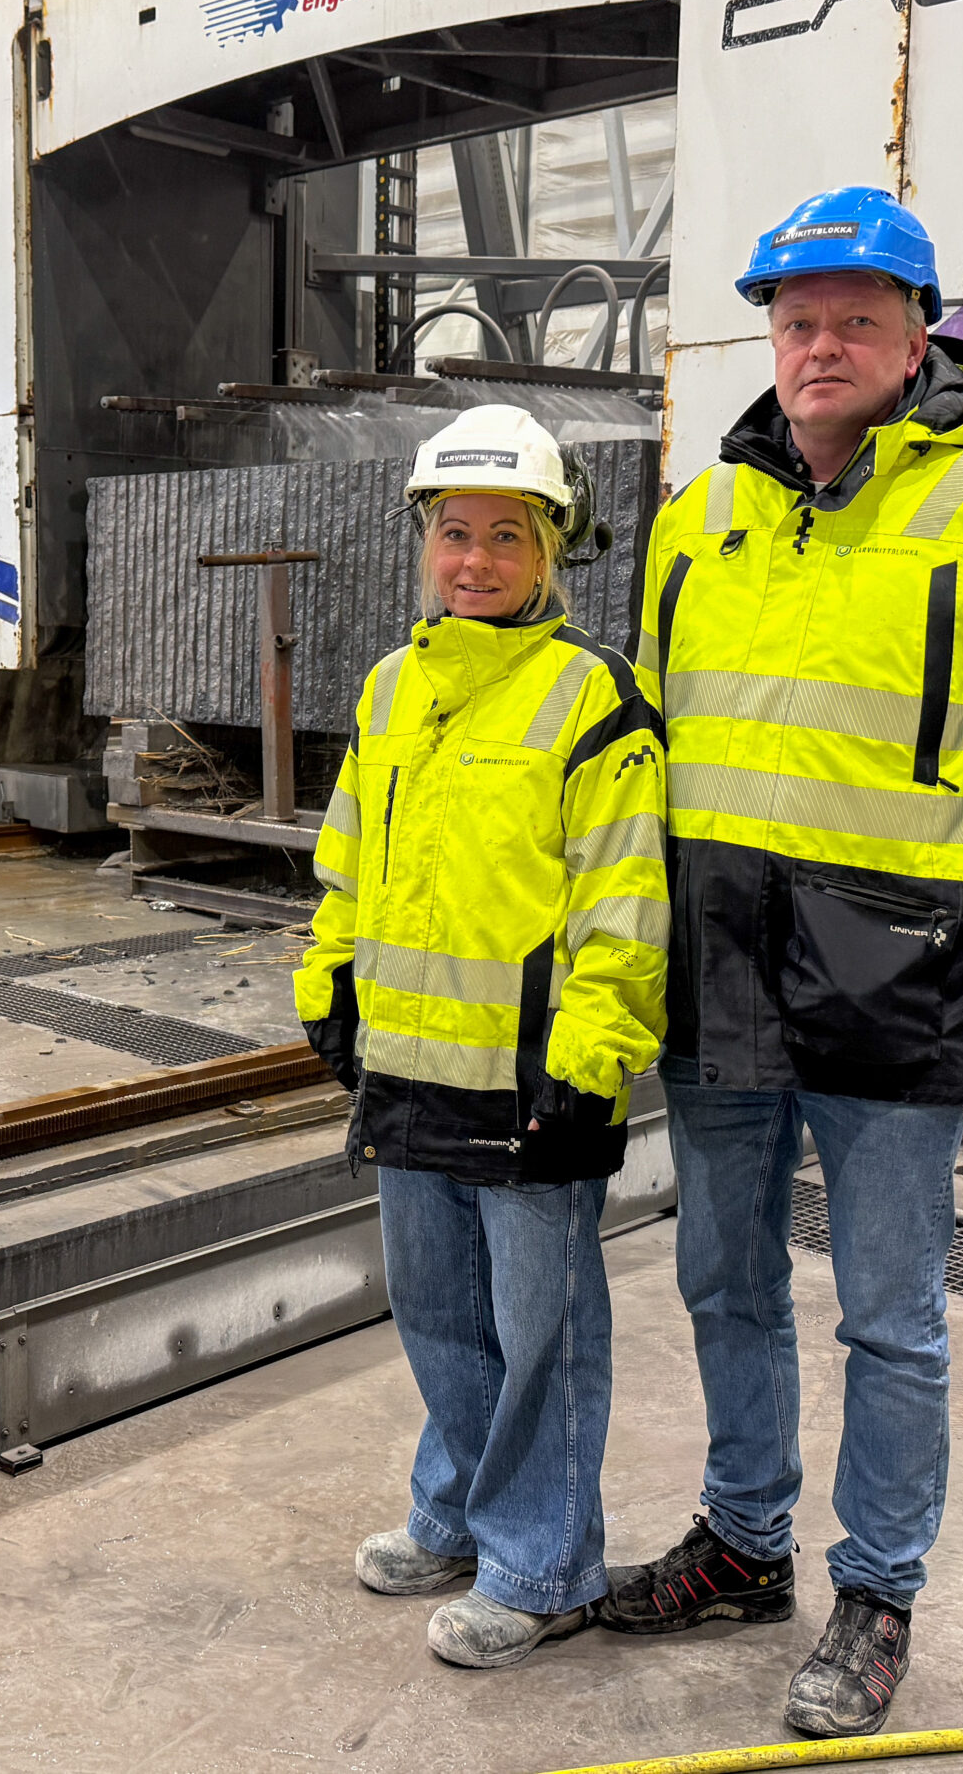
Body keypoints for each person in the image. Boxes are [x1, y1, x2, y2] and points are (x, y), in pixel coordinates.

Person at [599, 187, 963, 1735]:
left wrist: (961, 858)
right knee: (722, 1273)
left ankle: (878, 1591)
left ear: (920, 336)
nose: (820, 344)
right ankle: (743, 1542)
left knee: (887, 1309)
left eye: (854, 319)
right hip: (722, 941)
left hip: (896, 950)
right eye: (795, 319)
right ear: (767, 337)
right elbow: (662, 714)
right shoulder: (702, 513)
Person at [294, 404, 670, 1670]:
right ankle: (455, 1514)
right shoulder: (393, 687)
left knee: (540, 1335)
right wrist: (328, 974)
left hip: (534, 1081)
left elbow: (622, 896)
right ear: (422, 541)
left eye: (505, 537)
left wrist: (594, 1054)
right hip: (407, 1068)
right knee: (439, 1317)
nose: (475, 561)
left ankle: (545, 1563)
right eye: (454, 534)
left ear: (551, 550)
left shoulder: (594, 698)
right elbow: (348, 855)